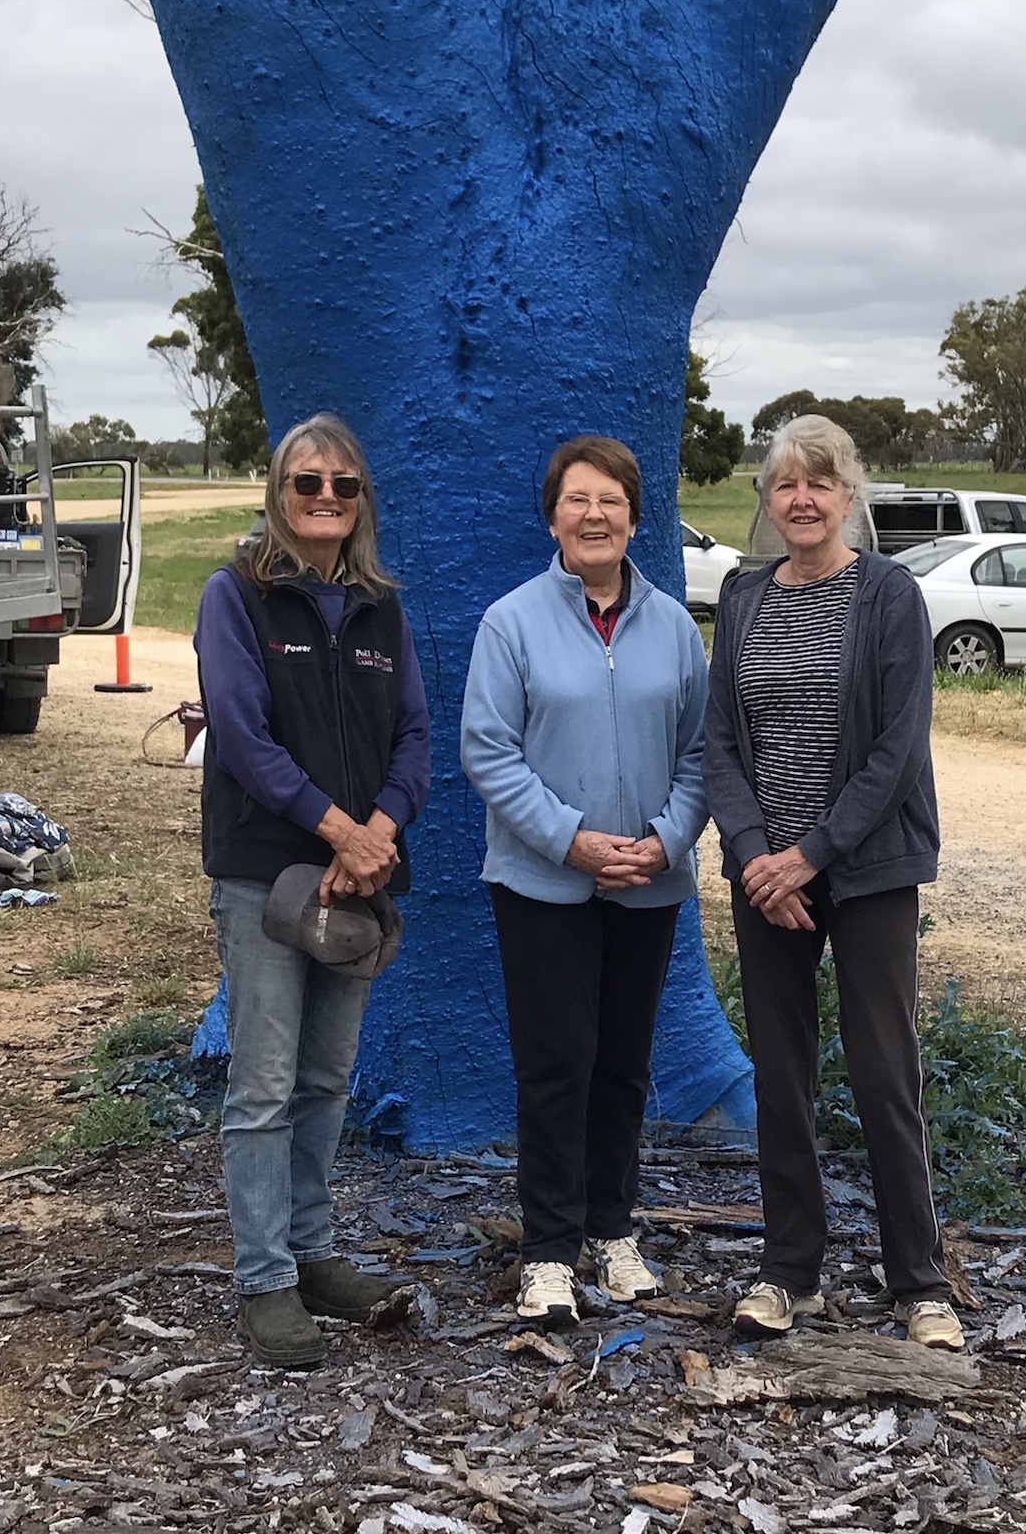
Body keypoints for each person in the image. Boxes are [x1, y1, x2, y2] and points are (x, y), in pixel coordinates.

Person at [703, 413, 963, 1349]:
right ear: (768, 501)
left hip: (866, 868)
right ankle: (789, 1273)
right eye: (785, 483)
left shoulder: (889, 594)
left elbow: (897, 746)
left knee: (884, 1069)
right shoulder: (742, 595)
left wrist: (809, 853)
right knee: (782, 1073)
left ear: (849, 495)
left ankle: (920, 1282)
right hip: (765, 871)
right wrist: (753, 853)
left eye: (820, 481)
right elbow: (721, 740)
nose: (802, 498)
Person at [196, 414, 432, 1367]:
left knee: (327, 1080)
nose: (326, 498)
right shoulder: (236, 594)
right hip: (267, 875)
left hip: (358, 878)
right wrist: (339, 828)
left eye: (344, 484)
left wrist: (377, 832)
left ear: (362, 498)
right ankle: (264, 1280)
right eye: (307, 483)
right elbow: (245, 739)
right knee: (261, 1086)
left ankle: (313, 1251)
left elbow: (415, 734)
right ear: (277, 492)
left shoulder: (381, 605)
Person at [462, 434, 711, 1327]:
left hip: (648, 881)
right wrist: (570, 841)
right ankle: (549, 1251)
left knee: (623, 1068)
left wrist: (667, 838)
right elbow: (487, 752)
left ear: (637, 518)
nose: (594, 514)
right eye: (578, 499)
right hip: (541, 883)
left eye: (611, 500)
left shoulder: (676, 628)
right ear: (553, 515)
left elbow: (699, 752)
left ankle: (613, 1231)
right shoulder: (512, 621)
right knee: (556, 1065)